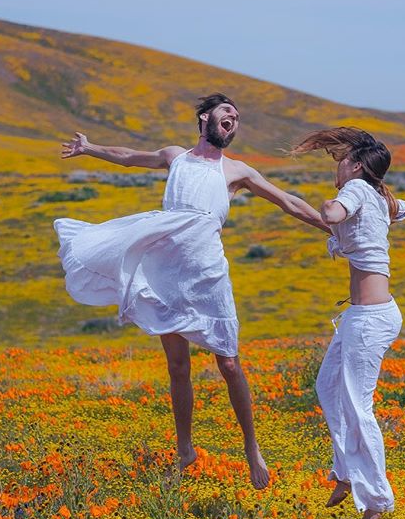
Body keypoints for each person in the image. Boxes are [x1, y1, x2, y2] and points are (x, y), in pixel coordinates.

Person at [54, 93, 330, 489]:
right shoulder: (175, 157)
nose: (234, 119)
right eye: (227, 113)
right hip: (166, 271)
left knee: (229, 364)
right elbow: (130, 155)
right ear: (206, 118)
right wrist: (90, 148)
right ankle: (185, 449)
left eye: (237, 116)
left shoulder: (237, 171)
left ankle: (252, 447)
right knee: (178, 365)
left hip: (208, 274)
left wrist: (331, 228)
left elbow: (288, 202)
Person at [291, 127, 405, 519]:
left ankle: (377, 500)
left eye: (340, 161)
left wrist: (334, 204)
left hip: (370, 320)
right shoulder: (377, 195)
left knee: (360, 407)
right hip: (365, 316)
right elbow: (400, 209)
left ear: (356, 166)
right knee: (327, 387)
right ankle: (345, 472)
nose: (336, 167)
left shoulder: (358, 189)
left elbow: (330, 215)